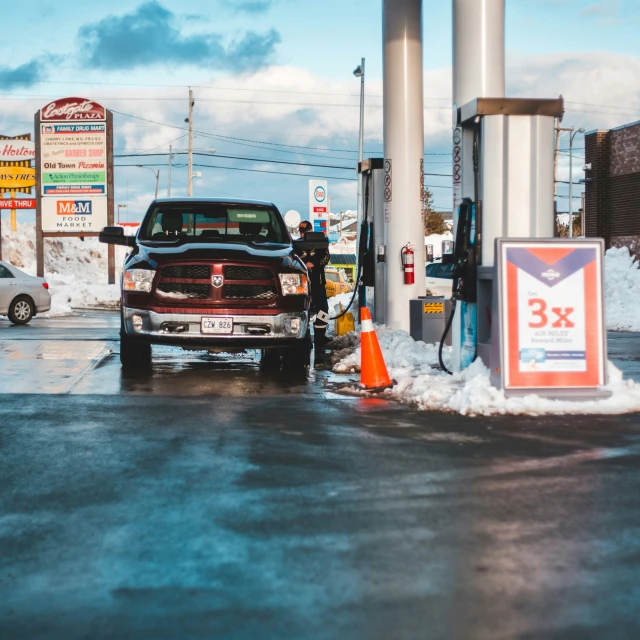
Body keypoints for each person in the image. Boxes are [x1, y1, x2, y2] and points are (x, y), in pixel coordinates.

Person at [297, 220, 330, 360]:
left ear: (311, 230)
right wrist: (305, 263)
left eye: (306, 232)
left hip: (318, 283)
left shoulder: (320, 244)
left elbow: (326, 258)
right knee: (304, 311)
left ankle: (320, 338)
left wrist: (314, 263)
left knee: (323, 310)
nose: (304, 234)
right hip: (302, 285)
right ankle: (304, 339)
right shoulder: (296, 245)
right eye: (302, 232)